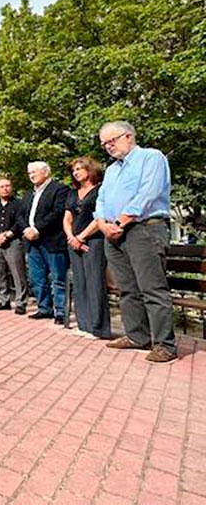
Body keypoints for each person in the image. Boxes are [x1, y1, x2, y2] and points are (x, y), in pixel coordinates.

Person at [95, 121, 176, 363]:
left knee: (152, 289)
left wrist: (121, 221)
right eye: (104, 144)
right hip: (113, 234)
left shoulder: (151, 157)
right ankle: (137, 336)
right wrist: (101, 223)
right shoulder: (111, 170)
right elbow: (101, 199)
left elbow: (148, 193)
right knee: (127, 288)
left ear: (128, 136)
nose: (109, 146)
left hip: (144, 229)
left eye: (113, 140)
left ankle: (165, 345)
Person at [63, 157, 110, 339]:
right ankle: (84, 325)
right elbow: (67, 218)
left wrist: (82, 237)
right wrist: (71, 237)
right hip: (73, 242)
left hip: (93, 241)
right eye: (74, 170)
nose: (76, 172)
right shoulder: (73, 193)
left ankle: (98, 328)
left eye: (79, 169)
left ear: (90, 170)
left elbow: (100, 218)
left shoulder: (100, 190)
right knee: (80, 283)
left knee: (95, 282)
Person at [22, 161, 70, 324]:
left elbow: (57, 213)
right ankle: (44, 308)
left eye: (35, 171)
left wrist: (37, 229)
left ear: (46, 172)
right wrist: (26, 230)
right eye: (29, 173)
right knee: (37, 277)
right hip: (32, 242)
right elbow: (21, 215)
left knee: (58, 277)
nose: (32, 175)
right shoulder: (28, 194)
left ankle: (61, 311)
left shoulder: (60, 189)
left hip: (52, 240)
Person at [0, 178, 29, 313]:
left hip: (14, 241)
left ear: (12, 187)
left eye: (7, 185)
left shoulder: (19, 204)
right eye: (1, 186)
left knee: (18, 273)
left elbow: (20, 221)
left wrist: (7, 235)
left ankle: (21, 302)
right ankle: (3, 300)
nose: (5, 188)